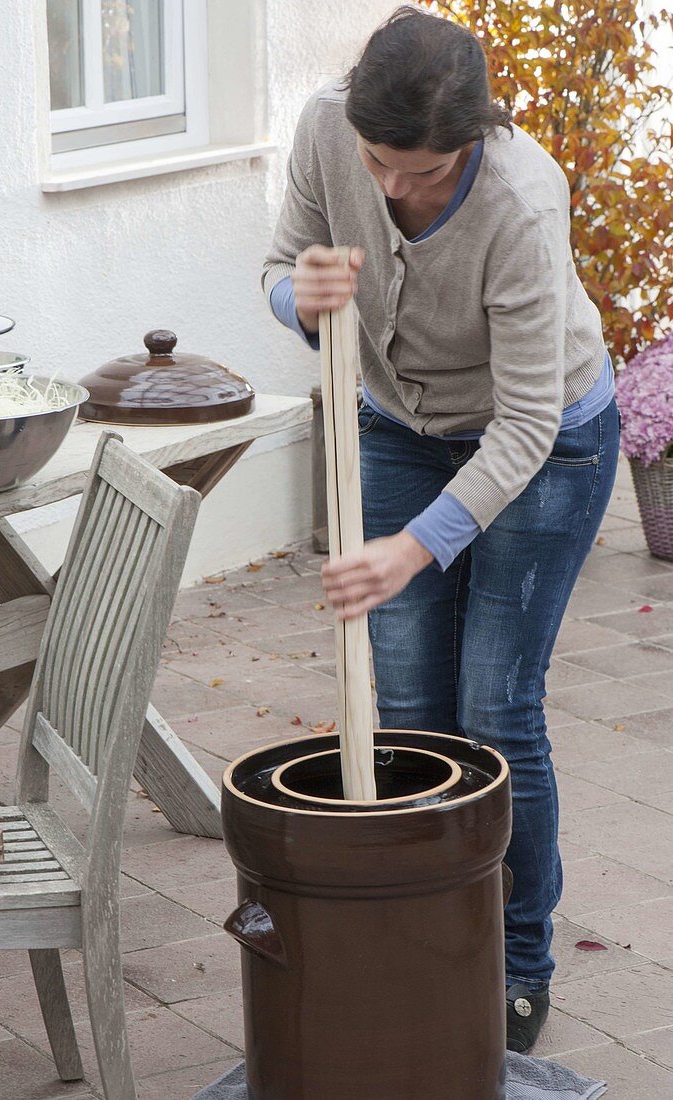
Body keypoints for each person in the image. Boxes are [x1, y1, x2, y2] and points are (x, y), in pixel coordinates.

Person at [262, 5, 619, 1054]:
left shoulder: (521, 200)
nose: (387, 189)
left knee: (495, 710)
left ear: (466, 143)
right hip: (399, 426)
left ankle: (514, 963)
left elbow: (523, 424)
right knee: (411, 706)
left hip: (549, 440)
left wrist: (414, 544)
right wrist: (302, 299)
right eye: (376, 161)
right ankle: (420, 934)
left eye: (416, 173)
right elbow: (280, 266)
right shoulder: (331, 128)